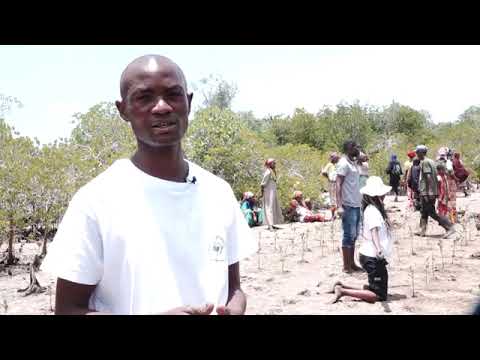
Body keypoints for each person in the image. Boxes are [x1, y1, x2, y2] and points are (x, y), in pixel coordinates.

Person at [40, 55, 257, 315]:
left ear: (188, 102)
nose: (162, 107)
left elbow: (234, 288)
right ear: (123, 110)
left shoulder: (218, 191)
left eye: (173, 95)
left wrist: (234, 308)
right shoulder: (96, 201)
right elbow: (68, 309)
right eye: (144, 98)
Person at [330, 176, 392, 304]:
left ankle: (342, 286)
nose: (384, 195)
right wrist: (379, 249)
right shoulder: (372, 210)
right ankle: (343, 291)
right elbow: (374, 231)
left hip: (372, 256)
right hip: (373, 257)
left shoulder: (373, 209)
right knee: (378, 295)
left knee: (376, 287)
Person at [414, 145, 456, 238]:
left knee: (431, 212)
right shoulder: (431, 161)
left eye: (417, 152)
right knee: (424, 211)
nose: (416, 154)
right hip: (430, 191)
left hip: (428, 192)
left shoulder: (425, 162)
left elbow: (429, 178)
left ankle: (449, 227)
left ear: (421, 152)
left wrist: (429, 192)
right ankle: (422, 230)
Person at [336, 140, 363, 273]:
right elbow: (338, 184)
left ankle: (352, 263)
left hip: (356, 204)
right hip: (348, 204)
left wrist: (358, 157)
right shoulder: (343, 163)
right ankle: (346, 266)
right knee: (348, 235)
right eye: (355, 147)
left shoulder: (352, 162)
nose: (357, 149)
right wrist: (339, 205)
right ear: (349, 149)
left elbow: (363, 158)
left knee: (354, 235)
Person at [261, 158, 284, 231]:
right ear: (270, 164)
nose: (275, 164)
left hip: (273, 192)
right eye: (273, 163)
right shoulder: (268, 172)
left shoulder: (272, 171)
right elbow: (262, 184)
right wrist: (262, 194)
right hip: (268, 192)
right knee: (269, 207)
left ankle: (272, 224)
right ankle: (270, 226)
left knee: (274, 206)